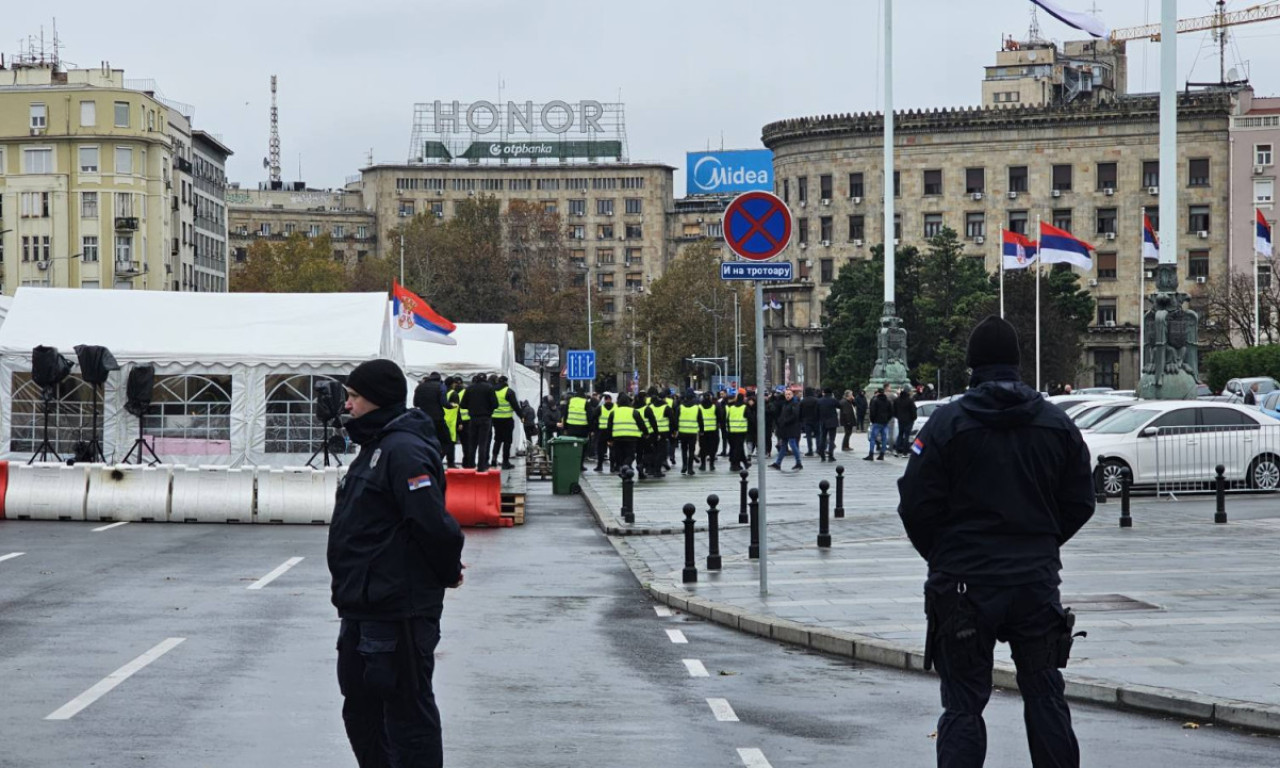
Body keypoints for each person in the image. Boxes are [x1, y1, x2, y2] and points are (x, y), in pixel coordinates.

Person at [897, 315, 1095, 768]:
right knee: (1044, 692)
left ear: (972, 365)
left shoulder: (946, 424)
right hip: (1033, 581)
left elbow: (915, 504)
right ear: (1017, 363)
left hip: (963, 584)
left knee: (963, 703)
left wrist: (945, 555)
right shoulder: (1057, 423)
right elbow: (1081, 501)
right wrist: (1042, 542)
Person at [329, 359, 466, 768]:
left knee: (406, 713)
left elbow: (433, 525)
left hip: (397, 609)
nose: (347, 405)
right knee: (362, 711)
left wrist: (448, 572)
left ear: (378, 399)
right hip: (363, 605)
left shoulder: (403, 450)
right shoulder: (375, 446)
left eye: (354, 397)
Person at [460, 373, 498, 472]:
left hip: (473, 419)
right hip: (485, 419)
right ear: (485, 379)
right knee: (483, 443)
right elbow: (495, 404)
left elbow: (463, 404)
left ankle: (471, 466)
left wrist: (471, 407)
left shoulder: (470, 388)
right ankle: (481, 466)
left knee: (472, 443)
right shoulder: (489, 388)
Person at [607, 393, 648, 477]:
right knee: (630, 455)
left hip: (617, 438)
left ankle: (623, 469)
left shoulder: (613, 412)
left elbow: (609, 427)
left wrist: (609, 439)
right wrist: (646, 433)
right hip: (631, 438)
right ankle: (625, 467)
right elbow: (641, 424)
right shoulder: (634, 412)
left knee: (620, 456)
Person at [489, 375, 520, 470]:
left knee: (497, 440)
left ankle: (493, 460)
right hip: (507, 419)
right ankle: (505, 462)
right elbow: (515, 406)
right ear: (506, 382)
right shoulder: (509, 391)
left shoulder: (493, 391)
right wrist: (522, 416)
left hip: (495, 419)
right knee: (507, 441)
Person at [769, 388, 803, 471]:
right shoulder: (785, 404)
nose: (787, 396)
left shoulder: (794, 404)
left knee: (792, 444)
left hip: (791, 428)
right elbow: (783, 414)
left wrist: (785, 421)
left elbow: (795, 415)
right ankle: (778, 463)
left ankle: (798, 462)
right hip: (785, 428)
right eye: (786, 394)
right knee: (783, 445)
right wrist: (781, 421)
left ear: (792, 395)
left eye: (789, 394)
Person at [675, 388, 703, 475]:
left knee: (684, 450)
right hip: (692, 432)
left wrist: (675, 430)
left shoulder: (680, 407)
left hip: (682, 432)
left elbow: (676, 420)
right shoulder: (697, 408)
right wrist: (701, 430)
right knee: (691, 450)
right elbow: (700, 421)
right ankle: (690, 468)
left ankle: (684, 466)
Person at [866, 385, 892, 461]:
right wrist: (887, 419)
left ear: (878, 392)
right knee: (884, 438)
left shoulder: (875, 400)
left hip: (877, 421)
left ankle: (871, 455)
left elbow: (872, 412)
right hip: (885, 422)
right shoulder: (888, 401)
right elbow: (891, 412)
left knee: (873, 438)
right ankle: (882, 454)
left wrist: (873, 420)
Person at [726, 391, 750, 472]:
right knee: (738, 448)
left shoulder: (731, 407)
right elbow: (750, 418)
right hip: (741, 431)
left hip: (732, 431)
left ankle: (743, 463)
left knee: (735, 447)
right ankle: (735, 464)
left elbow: (727, 419)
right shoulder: (744, 407)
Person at [698, 391, 720, 471]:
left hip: (702, 432)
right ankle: (711, 465)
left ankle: (703, 465)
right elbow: (719, 417)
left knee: (703, 448)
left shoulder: (699, 407)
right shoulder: (714, 407)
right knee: (712, 448)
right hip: (713, 431)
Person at [593, 393, 615, 473]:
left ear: (605, 400)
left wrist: (595, 428)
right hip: (612, 431)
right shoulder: (616, 408)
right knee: (612, 450)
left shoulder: (600, 408)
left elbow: (593, 417)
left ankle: (600, 466)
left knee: (601, 450)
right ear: (611, 400)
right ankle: (612, 467)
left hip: (602, 431)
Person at [817, 387, 840, 461]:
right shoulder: (833, 400)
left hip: (823, 421)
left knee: (823, 438)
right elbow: (839, 406)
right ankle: (830, 455)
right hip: (832, 422)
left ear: (824, 393)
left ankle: (822, 455)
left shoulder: (819, 401)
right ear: (831, 393)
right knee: (831, 439)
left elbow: (816, 411)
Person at [894, 386, 918, 458]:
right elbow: (913, 410)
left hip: (900, 420)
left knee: (900, 434)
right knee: (907, 436)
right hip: (909, 420)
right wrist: (913, 418)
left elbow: (894, 410)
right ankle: (905, 453)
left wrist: (898, 416)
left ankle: (897, 451)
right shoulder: (910, 400)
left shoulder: (897, 400)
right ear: (908, 392)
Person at [799, 388, 820, 456]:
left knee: (808, 436)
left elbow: (800, 412)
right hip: (816, 420)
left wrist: (801, 420)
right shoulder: (816, 400)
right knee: (818, 435)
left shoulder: (803, 401)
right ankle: (818, 449)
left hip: (807, 421)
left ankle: (810, 450)